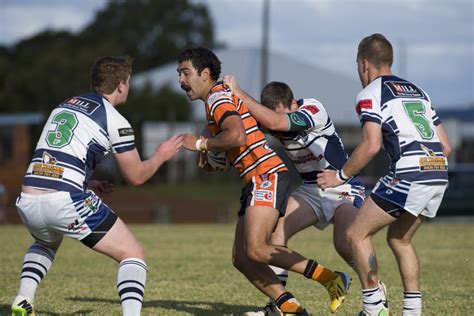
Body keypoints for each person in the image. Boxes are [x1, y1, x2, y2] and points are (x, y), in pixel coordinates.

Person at [177, 46, 349, 315]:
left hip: (266, 175)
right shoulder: (216, 99)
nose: (181, 80)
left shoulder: (217, 98)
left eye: (185, 73)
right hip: (254, 179)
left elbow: (236, 136)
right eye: (179, 74)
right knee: (241, 258)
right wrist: (211, 152)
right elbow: (227, 142)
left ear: (205, 74)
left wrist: (200, 144)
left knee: (257, 249)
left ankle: (331, 278)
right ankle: (290, 308)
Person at [11, 55, 183, 316]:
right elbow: (136, 176)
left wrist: (86, 183)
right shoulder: (115, 119)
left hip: (28, 197)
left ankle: (23, 299)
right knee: (133, 253)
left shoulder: (64, 105)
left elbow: (54, 156)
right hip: (64, 200)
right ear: (122, 85)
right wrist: (161, 154)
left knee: (46, 242)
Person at [317, 34, 452, 316]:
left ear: (364, 63)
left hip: (409, 172)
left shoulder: (370, 93)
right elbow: (446, 146)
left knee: (355, 234)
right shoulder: (419, 91)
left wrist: (339, 176)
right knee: (399, 239)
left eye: (357, 65)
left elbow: (371, 145)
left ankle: (373, 309)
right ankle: (412, 311)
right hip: (437, 171)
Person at [223, 76, 365, 314]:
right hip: (311, 190)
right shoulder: (269, 118)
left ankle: (376, 296)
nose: (281, 119)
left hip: (343, 185)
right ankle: (280, 306)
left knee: (345, 242)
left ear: (293, 103)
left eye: (285, 113)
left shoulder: (312, 108)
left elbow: (278, 122)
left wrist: (238, 91)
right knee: (274, 235)